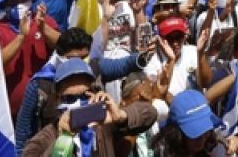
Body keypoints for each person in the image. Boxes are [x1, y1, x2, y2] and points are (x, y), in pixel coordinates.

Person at [21, 57, 158, 157]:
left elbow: (150, 114)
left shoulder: (103, 124)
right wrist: (61, 140)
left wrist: (120, 116)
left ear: (93, 93)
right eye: (70, 98)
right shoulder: (46, 136)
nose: (78, 103)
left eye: (84, 96)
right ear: (57, 99)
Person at [151, 89, 222, 157]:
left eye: (206, 132)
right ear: (177, 133)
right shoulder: (161, 151)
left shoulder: (208, 149)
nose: (202, 140)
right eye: (195, 133)